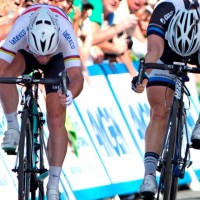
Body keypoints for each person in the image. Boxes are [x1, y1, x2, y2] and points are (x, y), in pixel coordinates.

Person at [0, 4, 83, 200]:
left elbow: (77, 77)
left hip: (58, 58)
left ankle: (54, 183)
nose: (43, 59)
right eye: (40, 54)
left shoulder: (65, 33)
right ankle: (12, 127)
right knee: (4, 75)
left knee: (56, 117)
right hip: (25, 53)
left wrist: (70, 93)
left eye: (46, 54)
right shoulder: (20, 28)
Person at [131, 0, 200, 198]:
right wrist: (143, 75)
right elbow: (154, 49)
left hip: (197, 51)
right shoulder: (166, 8)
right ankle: (149, 175)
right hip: (166, 56)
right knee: (159, 111)